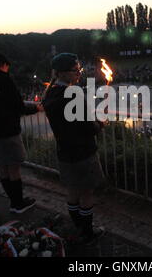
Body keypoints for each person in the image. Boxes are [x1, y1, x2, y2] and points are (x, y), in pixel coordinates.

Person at [42, 53, 105, 245]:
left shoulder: (50, 94)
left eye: (79, 69)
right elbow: (88, 128)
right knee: (86, 193)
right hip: (83, 152)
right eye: (75, 70)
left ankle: (79, 227)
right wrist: (99, 124)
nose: (79, 73)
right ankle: (87, 232)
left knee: (72, 192)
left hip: (64, 151)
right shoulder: (73, 95)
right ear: (62, 73)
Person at [0, 53, 42, 214]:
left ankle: (13, 201)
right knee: (14, 169)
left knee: (2, 168)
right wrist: (36, 108)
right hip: (8, 132)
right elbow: (19, 106)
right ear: (4, 65)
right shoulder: (5, 81)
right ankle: (18, 204)